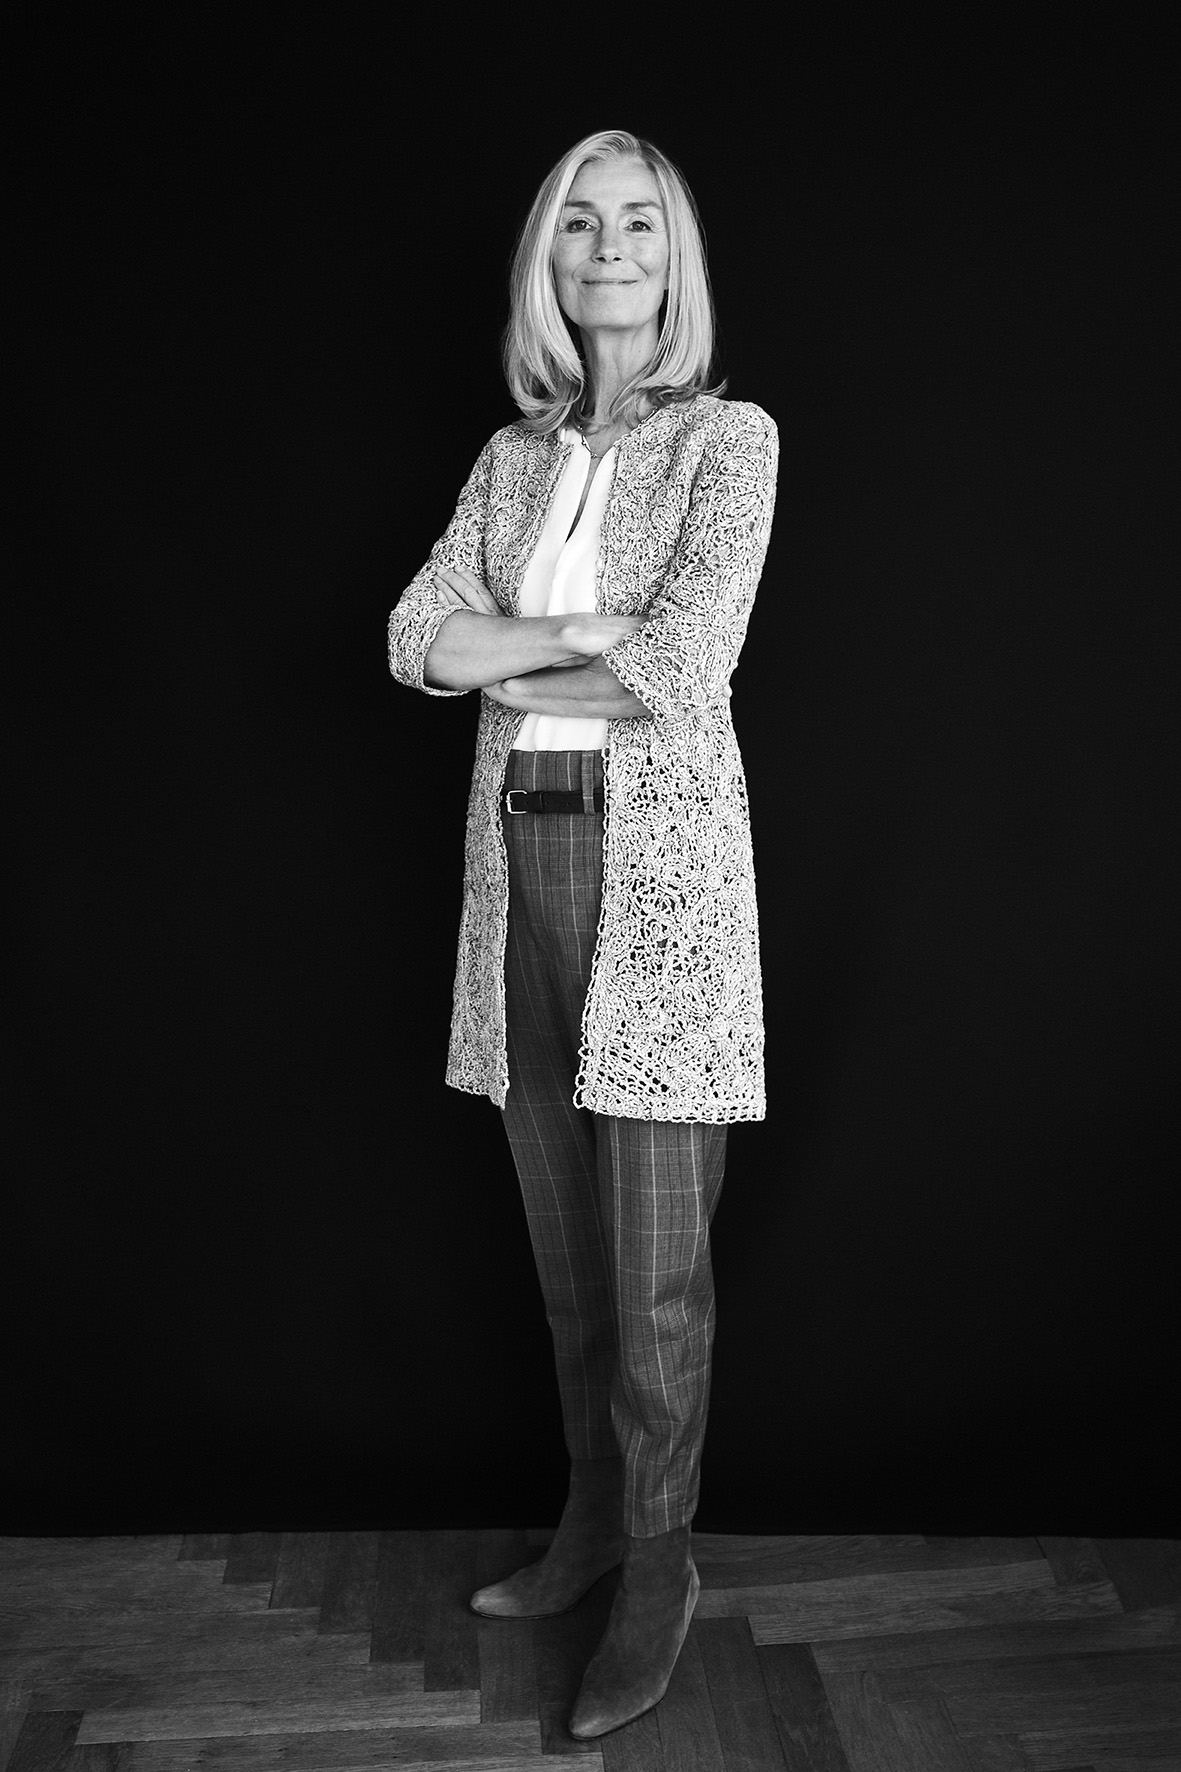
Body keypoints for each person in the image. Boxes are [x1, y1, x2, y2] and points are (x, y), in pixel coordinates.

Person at [387, 127, 777, 1739]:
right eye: (578, 224)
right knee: (568, 1265)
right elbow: (413, 638)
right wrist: (568, 630)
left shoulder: (729, 441)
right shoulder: (510, 459)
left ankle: (660, 1568)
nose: (608, 248)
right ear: (545, 260)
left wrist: (511, 654)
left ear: (673, 260)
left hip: (660, 893)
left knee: (655, 1279)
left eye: (638, 224)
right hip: (519, 867)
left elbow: (679, 666)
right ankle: (592, 1527)